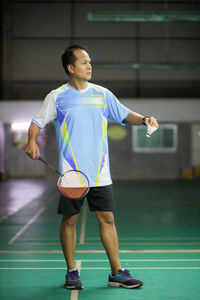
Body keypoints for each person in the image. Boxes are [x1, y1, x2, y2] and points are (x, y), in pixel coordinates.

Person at [25, 45, 158, 290]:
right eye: (84, 62)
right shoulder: (57, 96)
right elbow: (37, 122)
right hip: (72, 174)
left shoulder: (102, 94)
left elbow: (124, 113)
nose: (89, 65)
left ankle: (117, 272)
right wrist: (32, 139)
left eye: (90, 61)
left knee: (107, 218)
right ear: (70, 67)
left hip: (100, 172)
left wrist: (144, 119)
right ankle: (72, 272)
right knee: (70, 220)